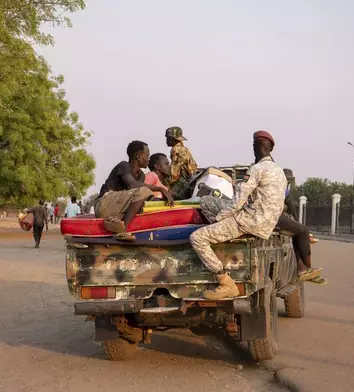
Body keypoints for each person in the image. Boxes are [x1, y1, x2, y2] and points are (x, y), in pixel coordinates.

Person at [190, 131, 287, 299]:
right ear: (271, 148)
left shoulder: (256, 169)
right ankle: (220, 232)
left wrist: (221, 219)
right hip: (266, 223)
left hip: (248, 221)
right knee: (207, 201)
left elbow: (238, 200)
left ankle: (226, 283)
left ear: (255, 148)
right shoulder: (280, 171)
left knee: (197, 238)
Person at [95, 140, 174, 240]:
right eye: (147, 156)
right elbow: (133, 185)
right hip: (103, 204)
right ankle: (123, 229)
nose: (149, 160)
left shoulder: (140, 175)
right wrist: (160, 189)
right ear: (139, 157)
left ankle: (116, 222)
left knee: (145, 198)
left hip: (115, 209)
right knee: (144, 191)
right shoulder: (124, 166)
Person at [166, 126, 198, 199]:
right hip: (189, 181)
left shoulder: (175, 150)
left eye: (167, 137)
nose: (166, 140)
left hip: (183, 183)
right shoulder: (184, 149)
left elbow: (174, 174)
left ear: (171, 138)